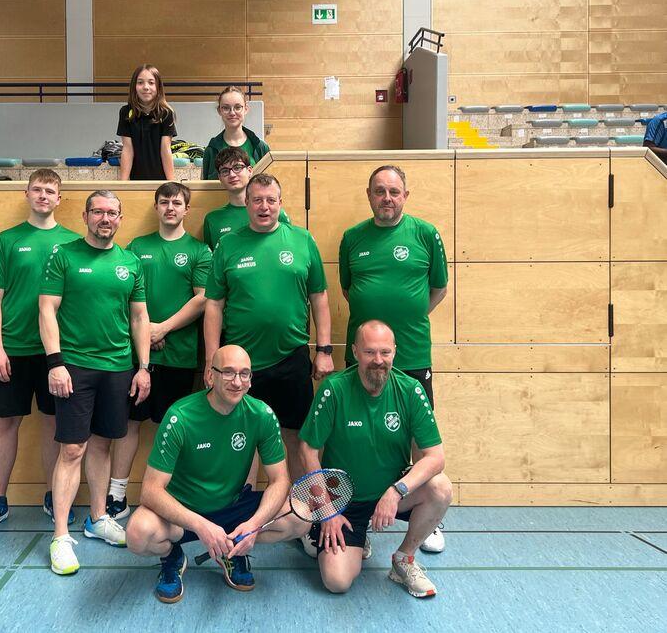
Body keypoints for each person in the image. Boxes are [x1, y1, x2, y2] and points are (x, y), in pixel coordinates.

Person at [126, 345, 306, 603]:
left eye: (245, 374)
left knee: (301, 516)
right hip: (184, 513)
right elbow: (150, 491)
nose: (237, 381)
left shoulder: (262, 415)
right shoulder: (180, 417)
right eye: (228, 373)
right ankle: (173, 557)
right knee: (137, 534)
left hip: (233, 508)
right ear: (210, 376)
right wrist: (201, 525)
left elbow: (280, 481)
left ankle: (231, 549)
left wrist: (253, 526)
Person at [39, 190, 152, 575]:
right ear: (86, 216)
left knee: (103, 445)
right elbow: (47, 309)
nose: (106, 218)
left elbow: (139, 318)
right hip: (74, 367)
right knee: (72, 449)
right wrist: (55, 362)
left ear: (120, 218)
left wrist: (144, 367)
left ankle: (98, 519)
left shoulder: (131, 263)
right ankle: (59, 537)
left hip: (118, 368)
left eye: (113, 213)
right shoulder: (65, 255)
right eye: (99, 211)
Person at [338, 164, 449, 553]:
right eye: (379, 191)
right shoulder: (352, 238)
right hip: (365, 358)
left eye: (394, 191)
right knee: (354, 437)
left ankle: (424, 521)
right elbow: (350, 290)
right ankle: (358, 516)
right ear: (369, 195)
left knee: (420, 441)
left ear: (406, 194)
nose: (387, 198)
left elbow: (438, 288)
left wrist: (409, 316)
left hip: (413, 353)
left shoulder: (426, 234)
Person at [299, 320, 452, 598]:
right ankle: (345, 533)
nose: (378, 360)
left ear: (395, 351)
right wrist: (327, 511)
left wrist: (397, 491)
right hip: (344, 501)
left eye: (385, 352)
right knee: (337, 582)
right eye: (370, 352)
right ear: (356, 352)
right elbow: (307, 450)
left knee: (440, 487)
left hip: (389, 493)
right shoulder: (334, 389)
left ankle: (404, 560)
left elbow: (435, 457)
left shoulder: (410, 390)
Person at [0, 169, 81, 535]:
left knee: (52, 424)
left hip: (57, 355)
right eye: (37, 189)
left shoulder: (74, 243)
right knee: (5, 424)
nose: (43, 195)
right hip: (12, 351)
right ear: (27, 193)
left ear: (60, 198)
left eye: (50, 190)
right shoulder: (7, 240)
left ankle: (53, 495)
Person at [204, 173, 334, 482]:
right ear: (246, 203)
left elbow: (319, 297)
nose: (265, 207)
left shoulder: (302, 240)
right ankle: (243, 509)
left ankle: (301, 511)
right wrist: (213, 360)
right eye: (258, 200)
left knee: (297, 438)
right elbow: (213, 305)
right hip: (241, 364)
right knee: (242, 437)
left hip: (292, 357)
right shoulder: (228, 245)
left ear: (280, 204)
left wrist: (324, 350)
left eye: (271, 200)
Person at [107, 182, 212, 519]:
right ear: (156, 207)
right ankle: (117, 494)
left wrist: (162, 328)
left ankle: (171, 494)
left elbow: (203, 299)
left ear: (186, 210)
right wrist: (143, 336)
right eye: (164, 201)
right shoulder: (136, 247)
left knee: (175, 426)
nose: (170, 207)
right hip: (137, 357)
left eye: (177, 202)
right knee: (129, 423)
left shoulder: (199, 251)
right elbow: (123, 296)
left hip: (179, 356)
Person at [201, 146, 290, 249]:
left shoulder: (274, 213)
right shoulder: (212, 219)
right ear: (220, 177)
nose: (232, 174)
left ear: (249, 170)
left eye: (237, 167)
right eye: (225, 171)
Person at [117, 64, 176, 181]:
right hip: (136, 179)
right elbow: (128, 149)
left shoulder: (166, 113)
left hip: (161, 179)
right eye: (140, 82)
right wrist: (122, 184)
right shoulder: (125, 112)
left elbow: (165, 149)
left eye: (151, 82)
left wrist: (171, 182)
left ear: (158, 87)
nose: (146, 87)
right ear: (134, 86)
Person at [201, 86, 270, 180]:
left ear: (246, 109)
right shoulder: (211, 150)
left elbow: (269, 185)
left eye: (237, 107)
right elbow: (205, 188)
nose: (232, 113)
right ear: (219, 111)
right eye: (226, 108)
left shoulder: (260, 147)